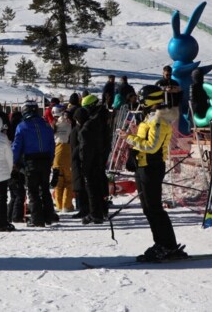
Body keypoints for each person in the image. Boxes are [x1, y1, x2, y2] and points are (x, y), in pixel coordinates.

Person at [119, 85, 187, 262]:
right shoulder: (150, 117)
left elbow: (152, 146)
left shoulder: (158, 119)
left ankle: (167, 245)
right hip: (143, 165)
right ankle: (162, 243)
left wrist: (129, 138)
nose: (139, 102)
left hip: (152, 167)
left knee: (154, 208)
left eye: (142, 99)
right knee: (148, 208)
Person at [12, 100, 57, 227]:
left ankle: (37, 219)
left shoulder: (22, 126)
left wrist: (14, 162)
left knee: (32, 191)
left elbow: (16, 146)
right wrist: (51, 159)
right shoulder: (46, 125)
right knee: (45, 189)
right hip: (45, 160)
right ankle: (49, 216)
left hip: (31, 161)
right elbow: (52, 144)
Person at [78, 94, 111, 224]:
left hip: (93, 159)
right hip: (101, 157)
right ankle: (102, 210)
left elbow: (86, 147)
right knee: (99, 185)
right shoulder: (103, 118)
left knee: (92, 188)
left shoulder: (91, 124)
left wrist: (84, 166)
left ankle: (95, 213)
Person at [51, 105, 74, 213]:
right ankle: (67, 205)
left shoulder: (53, 125)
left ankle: (59, 205)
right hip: (66, 152)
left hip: (56, 154)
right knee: (68, 181)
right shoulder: (68, 124)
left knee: (58, 181)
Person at [69, 107, 90, 219]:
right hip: (88, 161)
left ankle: (83, 209)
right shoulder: (89, 129)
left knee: (80, 186)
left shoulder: (76, 131)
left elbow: (73, 148)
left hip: (78, 161)